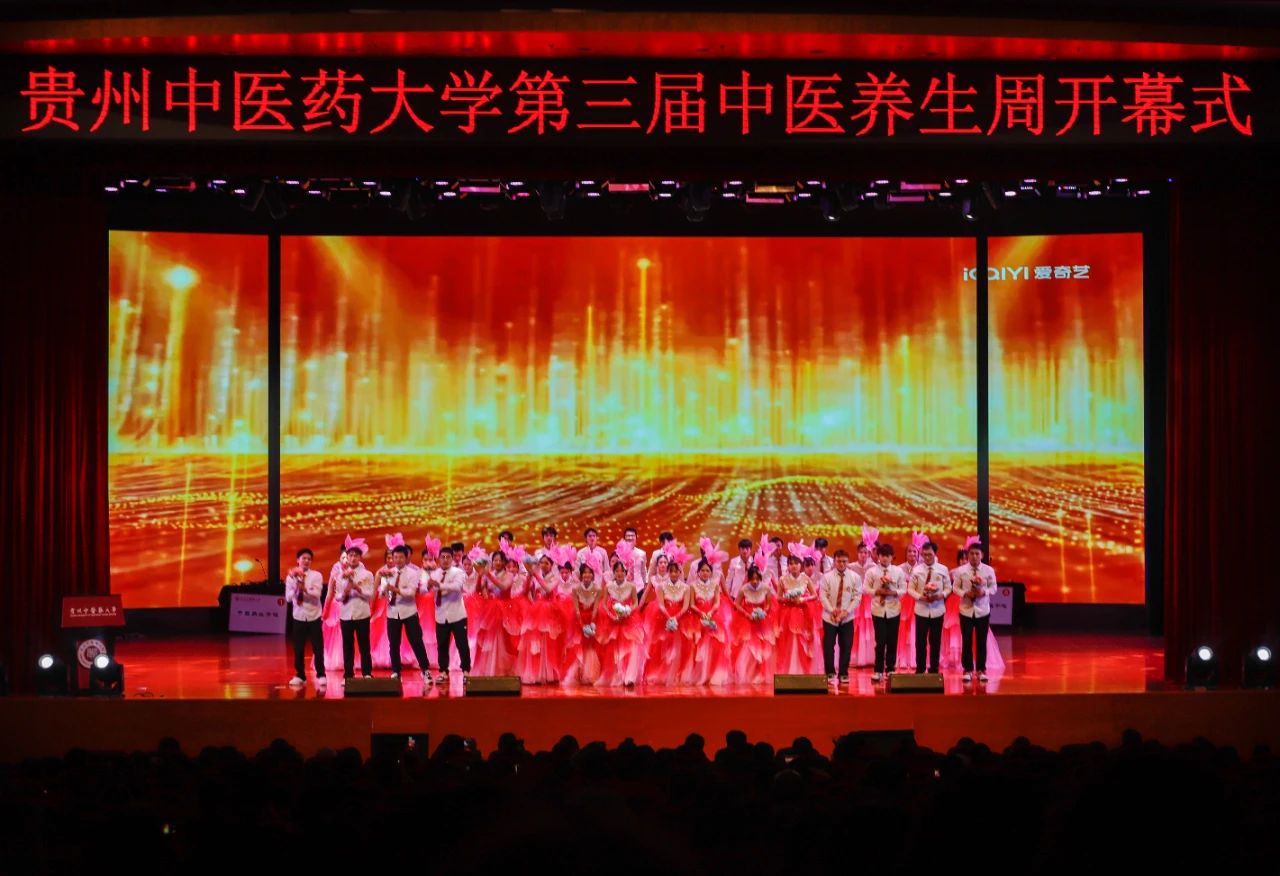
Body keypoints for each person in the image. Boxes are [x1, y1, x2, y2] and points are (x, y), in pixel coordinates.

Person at [378, 543, 432, 682]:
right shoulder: (388, 573)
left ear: (406, 557)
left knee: (416, 641)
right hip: (392, 612)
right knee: (393, 644)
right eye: (395, 557)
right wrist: (384, 589)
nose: (398, 560)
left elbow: (411, 593)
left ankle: (425, 670)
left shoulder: (413, 573)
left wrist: (395, 589)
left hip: (409, 612)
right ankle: (396, 672)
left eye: (401, 557)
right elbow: (381, 593)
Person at [952, 542, 998, 683]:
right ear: (968, 555)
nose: (974, 556)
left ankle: (981, 670)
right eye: (971, 553)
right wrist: (965, 593)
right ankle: (967, 670)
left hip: (982, 611)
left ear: (982, 555)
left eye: (977, 554)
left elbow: (994, 588)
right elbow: (955, 588)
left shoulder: (988, 570)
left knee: (981, 641)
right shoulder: (961, 571)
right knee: (966, 641)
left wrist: (984, 592)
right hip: (966, 610)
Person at [645, 558, 695, 685]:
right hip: (663, 618)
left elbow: (686, 606)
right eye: (671, 571)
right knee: (663, 647)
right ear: (668, 572)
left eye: (676, 571)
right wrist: (669, 617)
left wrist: (676, 618)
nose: (673, 574)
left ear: (679, 573)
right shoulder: (661, 587)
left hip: (681, 619)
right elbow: (661, 605)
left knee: (680, 647)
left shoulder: (686, 588)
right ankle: (663, 674)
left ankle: (677, 674)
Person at [597, 559, 646, 686]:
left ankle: (629, 676)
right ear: (613, 572)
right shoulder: (608, 586)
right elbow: (604, 604)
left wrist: (628, 611)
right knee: (613, 648)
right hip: (613, 620)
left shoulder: (631, 586)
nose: (619, 573)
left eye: (622, 571)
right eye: (617, 571)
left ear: (625, 572)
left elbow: (635, 602)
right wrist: (611, 615)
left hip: (628, 619)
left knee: (631, 646)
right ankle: (616, 675)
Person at [863, 543, 907, 683]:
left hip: (894, 609)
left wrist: (893, 592)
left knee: (892, 640)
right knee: (880, 641)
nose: (885, 558)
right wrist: (877, 591)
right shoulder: (872, 572)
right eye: (882, 555)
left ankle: (890, 669)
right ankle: (878, 670)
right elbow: (865, 588)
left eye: (887, 556)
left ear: (892, 557)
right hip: (878, 610)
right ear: (878, 556)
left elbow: (903, 588)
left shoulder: (898, 571)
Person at [334, 536, 375, 683]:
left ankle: (367, 673)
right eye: (350, 555)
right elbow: (337, 596)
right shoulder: (341, 575)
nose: (353, 558)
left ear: (360, 557)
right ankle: (348, 675)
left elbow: (370, 595)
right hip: (346, 615)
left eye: (356, 555)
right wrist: (345, 592)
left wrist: (357, 588)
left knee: (364, 645)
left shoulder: (367, 574)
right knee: (347, 646)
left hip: (362, 613)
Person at [429, 546, 471, 687]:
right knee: (442, 645)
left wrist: (438, 585)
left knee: (462, 644)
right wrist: (427, 585)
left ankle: (466, 671)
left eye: (448, 557)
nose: (445, 560)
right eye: (443, 557)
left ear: (452, 559)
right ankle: (443, 671)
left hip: (457, 615)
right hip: (441, 615)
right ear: (439, 559)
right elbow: (425, 588)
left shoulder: (459, 572)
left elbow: (457, 587)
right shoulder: (434, 573)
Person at [819, 549, 861, 686]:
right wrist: (832, 610)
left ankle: (843, 673)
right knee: (828, 646)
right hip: (829, 617)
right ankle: (830, 672)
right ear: (834, 561)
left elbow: (857, 597)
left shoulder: (855, 577)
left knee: (846, 646)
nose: (842, 564)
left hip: (847, 618)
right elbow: (823, 596)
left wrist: (846, 612)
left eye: (844, 561)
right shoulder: (826, 577)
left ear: (848, 562)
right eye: (839, 561)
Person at [285, 548, 325, 689]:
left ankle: (321, 674)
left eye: (309, 559)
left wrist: (305, 588)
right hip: (299, 615)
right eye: (303, 558)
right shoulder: (291, 577)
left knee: (317, 647)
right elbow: (288, 598)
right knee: (298, 647)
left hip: (314, 615)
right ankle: (300, 675)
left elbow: (317, 594)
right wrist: (297, 587)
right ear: (298, 560)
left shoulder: (316, 576)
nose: (306, 561)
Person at [730, 565, 777, 684]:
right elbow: (737, 604)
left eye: (757, 578)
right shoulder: (744, 589)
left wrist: (763, 612)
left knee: (764, 646)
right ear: (749, 578)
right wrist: (747, 614)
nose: (755, 581)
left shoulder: (766, 588)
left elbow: (768, 604)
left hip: (762, 620)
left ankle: (760, 674)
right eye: (752, 579)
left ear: (760, 578)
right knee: (748, 646)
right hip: (748, 620)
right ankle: (747, 674)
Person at [909, 541, 951, 675]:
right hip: (921, 610)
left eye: (930, 554)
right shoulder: (917, 570)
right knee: (920, 642)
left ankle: (934, 669)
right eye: (924, 554)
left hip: (937, 610)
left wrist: (941, 595)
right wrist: (920, 597)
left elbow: (948, 588)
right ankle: (920, 669)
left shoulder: (943, 569)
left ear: (935, 554)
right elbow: (910, 589)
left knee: (935, 641)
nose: (927, 557)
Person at [775, 553, 820, 674]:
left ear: (801, 565)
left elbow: (815, 595)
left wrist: (803, 599)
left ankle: (804, 669)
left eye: (796, 563)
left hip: (803, 612)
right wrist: (788, 599)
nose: (794, 566)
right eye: (791, 564)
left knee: (803, 639)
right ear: (788, 566)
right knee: (789, 640)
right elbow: (778, 598)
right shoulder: (783, 579)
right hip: (788, 613)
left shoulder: (805, 578)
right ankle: (789, 669)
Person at [689, 558, 732, 685]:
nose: (705, 573)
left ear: (711, 573)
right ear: (698, 572)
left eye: (707, 570)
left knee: (715, 645)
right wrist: (701, 613)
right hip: (698, 617)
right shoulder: (692, 586)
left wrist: (711, 612)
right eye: (702, 570)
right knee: (698, 646)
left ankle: (712, 673)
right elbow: (692, 604)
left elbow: (717, 602)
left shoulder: (715, 585)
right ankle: (700, 674)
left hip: (713, 616)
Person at [562, 561, 603, 685]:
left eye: (589, 573)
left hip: (593, 619)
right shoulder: (576, 589)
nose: (587, 575)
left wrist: (591, 625)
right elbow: (576, 609)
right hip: (578, 620)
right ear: (581, 575)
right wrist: (581, 624)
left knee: (590, 645)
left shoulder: (598, 589)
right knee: (578, 645)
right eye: (584, 573)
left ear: (593, 575)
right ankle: (577, 673)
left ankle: (589, 673)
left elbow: (596, 608)